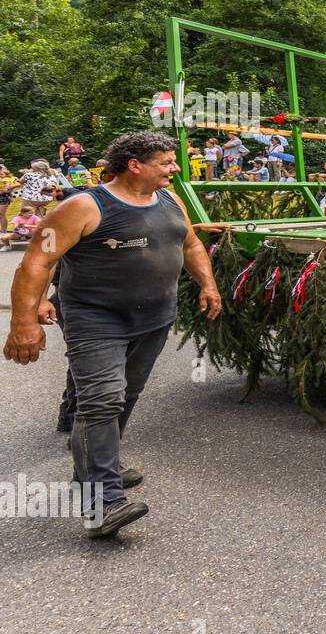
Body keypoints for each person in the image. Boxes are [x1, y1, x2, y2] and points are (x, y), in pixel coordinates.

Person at [3, 130, 223, 538]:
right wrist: (24, 322)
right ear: (135, 165)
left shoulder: (169, 199)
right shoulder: (82, 206)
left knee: (126, 395)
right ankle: (103, 501)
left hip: (154, 319)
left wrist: (208, 285)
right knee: (101, 401)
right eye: (166, 162)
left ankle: (93, 461)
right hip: (96, 320)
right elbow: (34, 263)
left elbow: (190, 244)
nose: (175, 168)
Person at [0, 165, 16, 232]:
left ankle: (4, 231)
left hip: (3, 197)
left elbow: (17, 184)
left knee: (1, 214)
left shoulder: (7, 178)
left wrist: (6, 189)